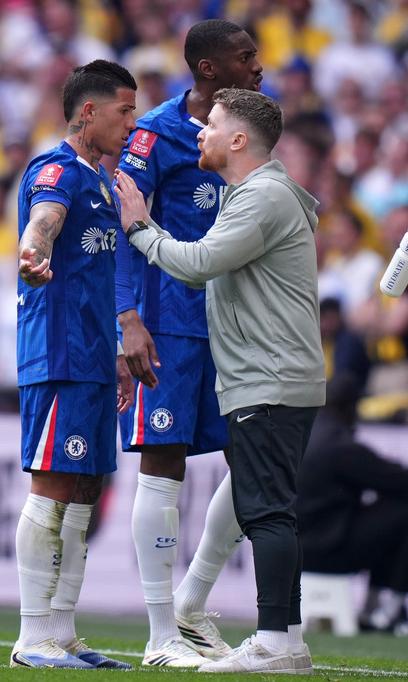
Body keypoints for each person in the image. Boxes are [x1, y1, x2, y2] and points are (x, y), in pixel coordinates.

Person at [115, 87, 326, 675]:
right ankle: (283, 637)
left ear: (238, 139)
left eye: (210, 125)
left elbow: (199, 263)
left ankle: (274, 642)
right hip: (274, 375)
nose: (199, 132)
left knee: (267, 514)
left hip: (270, 377)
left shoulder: (259, 198)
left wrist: (139, 228)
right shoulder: (262, 193)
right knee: (269, 507)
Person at [113, 18, 266, 668]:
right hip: (170, 322)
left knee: (254, 460)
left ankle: (193, 600)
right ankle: (159, 635)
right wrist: (128, 318)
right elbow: (124, 224)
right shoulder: (154, 134)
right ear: (209, 68)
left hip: (238, 325)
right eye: (246, 57)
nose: (259, 66)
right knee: (164, 464)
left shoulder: (253, 128)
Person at [11, 59, 139, 670]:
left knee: (84, 493)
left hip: (92, 357)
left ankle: (61, 633)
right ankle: (31, 636)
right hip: (58, 354)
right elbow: (44, 216)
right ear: (88, 111)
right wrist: (33, 249)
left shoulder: (104, 182)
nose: (130, 123)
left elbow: (98, 277)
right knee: (54, 488)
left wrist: (115, 351)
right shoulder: (57, 169)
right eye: (123, 111)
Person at [296, 373, 408, 635]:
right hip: (326, 549)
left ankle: (375, 610)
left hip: (298, 548)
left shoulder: (307, 433)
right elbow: (399, 479)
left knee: (391, 512)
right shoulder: (337, 442)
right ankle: (389, 614)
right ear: (349, 407)